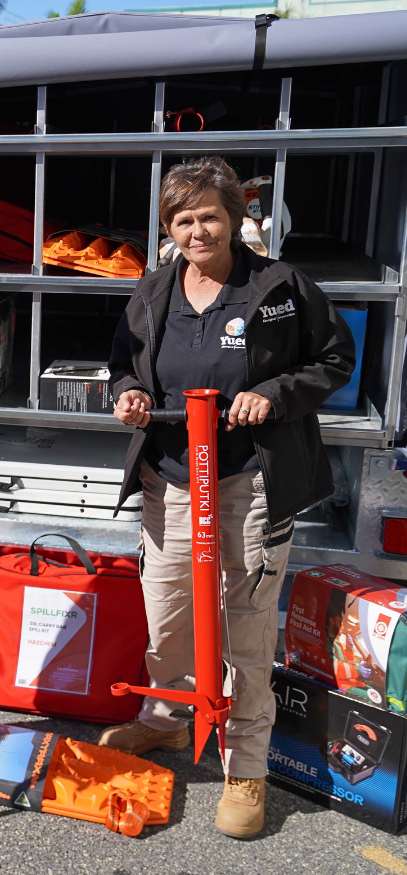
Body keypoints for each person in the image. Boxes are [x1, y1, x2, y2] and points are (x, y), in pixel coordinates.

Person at [104, 156, 355, 838]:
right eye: (181, 220)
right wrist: (126, 393)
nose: (196, 230)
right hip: (173, 480)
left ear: (236, 216)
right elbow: (123, 362)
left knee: (243, 625)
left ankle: (245, 765)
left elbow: (334, 358)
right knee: (168, 616)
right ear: (169, 228)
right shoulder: (154, 290)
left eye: (208, 215)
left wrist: (270, 396)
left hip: (251, 483)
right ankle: (166, 718)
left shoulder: (279, 287)